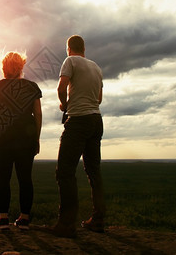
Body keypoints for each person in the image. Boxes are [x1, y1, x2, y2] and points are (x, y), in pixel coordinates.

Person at [53, 35, 105, 238]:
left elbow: (61, 87)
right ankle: (98, 219)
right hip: (96, 120)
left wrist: (64, 105)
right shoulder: (96, 67)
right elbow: (99, 99)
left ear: (69, 49)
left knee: (65, 172)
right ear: (84, 48)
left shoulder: (70, 61)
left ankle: (66, 223)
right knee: (94, 171)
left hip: (78, 121)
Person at [0, 51, 42, 230]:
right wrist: (36, 138)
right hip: (26, 140)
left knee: (3, 179)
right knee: (25, 179)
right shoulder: (32, 87)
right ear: (21, 67)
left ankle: (3, 218)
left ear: (3, 68)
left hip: (2, 140)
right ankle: (24, 219)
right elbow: (38, 114)